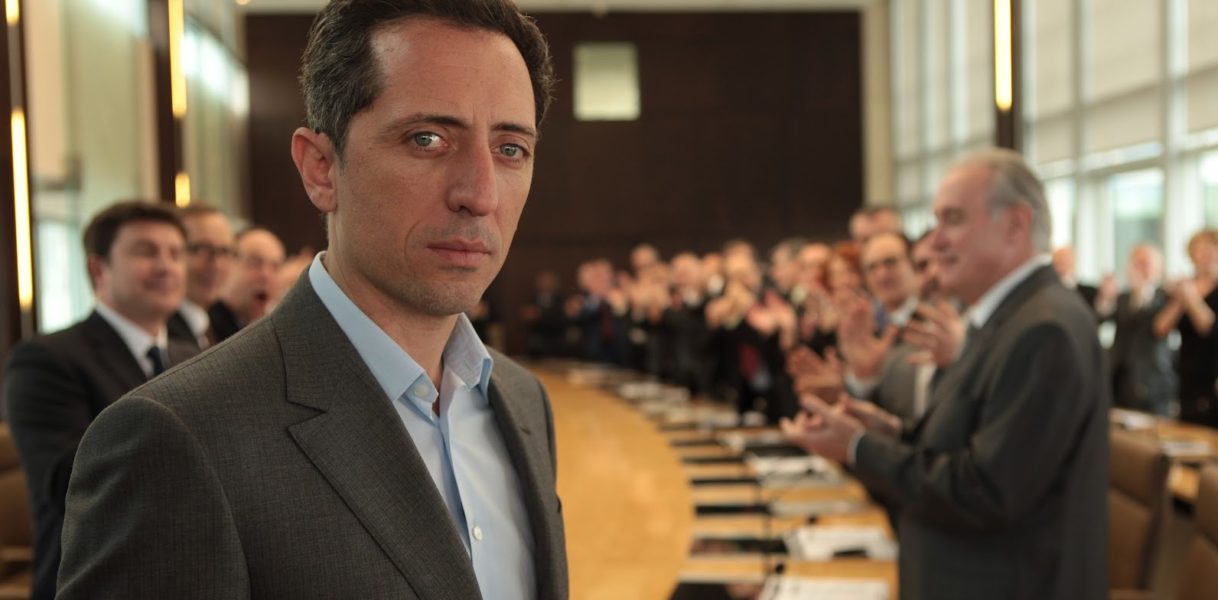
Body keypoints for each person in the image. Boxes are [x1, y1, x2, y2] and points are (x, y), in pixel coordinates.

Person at [57, 2, 566, 599]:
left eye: (511, 149)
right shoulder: (177, 438)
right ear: (321, 169)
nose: (480, 194)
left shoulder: (522, 401)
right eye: (427, 139)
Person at [782, 148, 1108, 600]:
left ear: (1015, 225)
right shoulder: (1008, 317)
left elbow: (985, 492)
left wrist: (859, 447)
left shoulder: (1043, 328)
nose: (934, 242)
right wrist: (891, 432)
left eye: (952, 219)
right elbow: (969, 445)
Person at [3, 201, 198, 600]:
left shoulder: (196, 358)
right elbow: (72, 483)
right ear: (98, 269)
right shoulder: (46, 359)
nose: (166, 266)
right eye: (146, 252)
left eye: (176, 254)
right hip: (98, 581)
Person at [1101, 244, 1175, 415]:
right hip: (1120, 378)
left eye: (1145, 263)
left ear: (1159, 268)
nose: (1140, 268)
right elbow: (1102, 318)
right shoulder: (1122, 297)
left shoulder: (1167, 296)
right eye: (1136, 263)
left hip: (1152, 379)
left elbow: (1158, 328)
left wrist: (1142, 291)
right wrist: (1106, 298)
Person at [1154, 230, 1218, 425]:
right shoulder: (1185, 286)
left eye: (1208, 250)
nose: (1203, 256)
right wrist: (1179, 299)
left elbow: (1207, 326)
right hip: (1188, 372)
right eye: (1198, 250)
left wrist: (1190, 296)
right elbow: (1160, 328)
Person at [169, 203, 235, 349]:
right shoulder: (160, 330)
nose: (217, 265)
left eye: (224, 251)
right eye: (202, 249)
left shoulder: (219, 323)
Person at [208, 226, 286, 342]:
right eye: (256, 263)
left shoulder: (273, 331)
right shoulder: (205, 326)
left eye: (275, 267)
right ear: (229, 263)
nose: (266, 276)